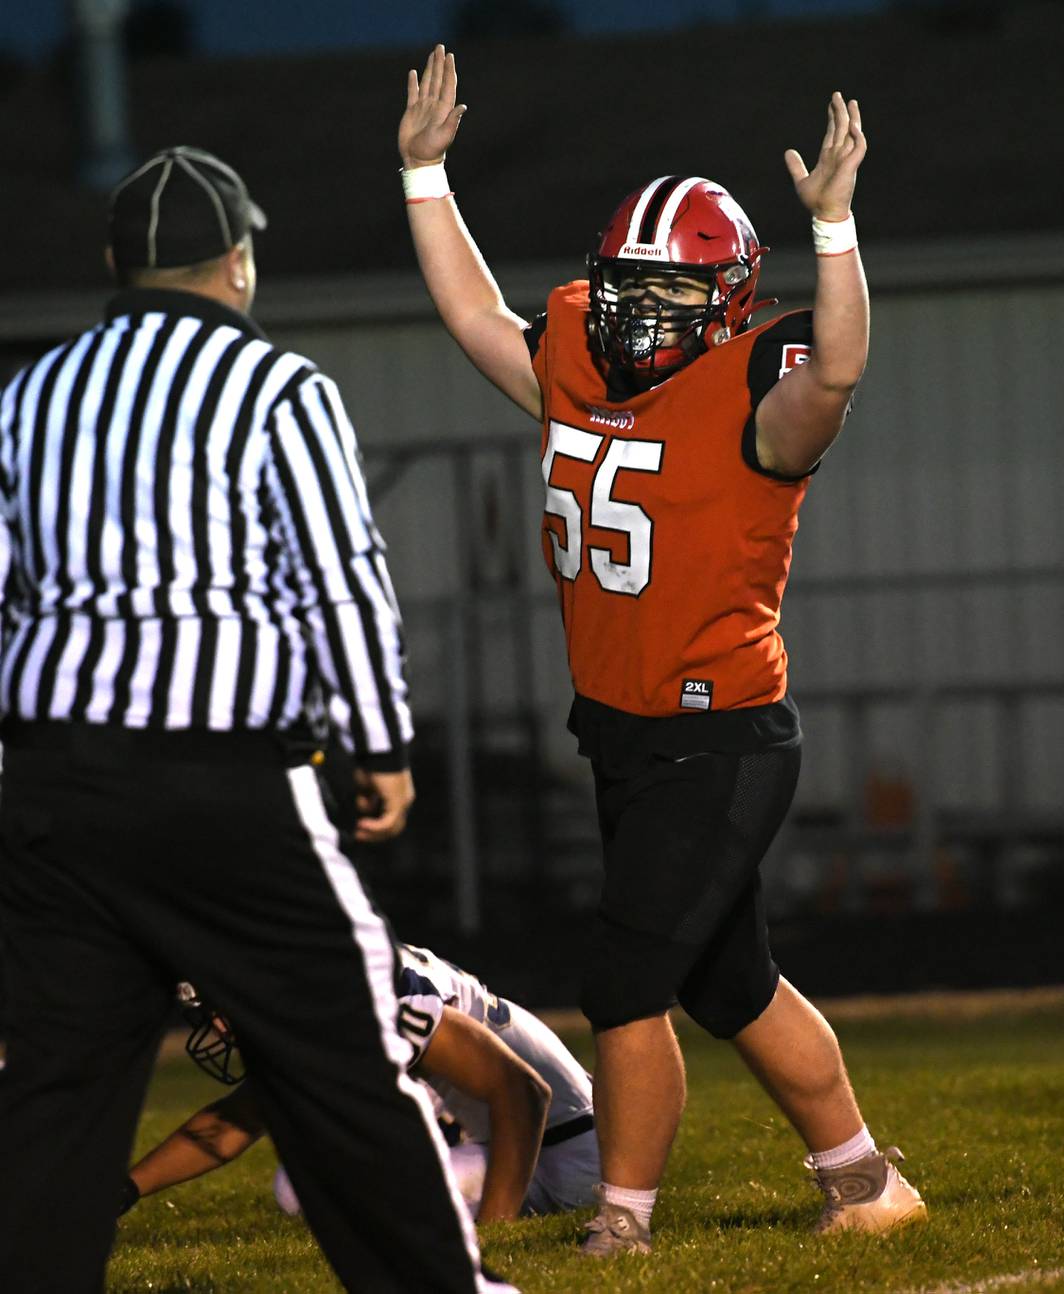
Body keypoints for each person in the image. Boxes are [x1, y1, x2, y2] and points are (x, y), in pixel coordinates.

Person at [395, 45, 925, 1254]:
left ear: (732, 301)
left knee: (624, 979)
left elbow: (838, 364)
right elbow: (478, 312)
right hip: (624, 731)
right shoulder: (575, 355)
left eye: (673, 296)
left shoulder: (764, 387)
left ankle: (623, 1225)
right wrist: (428, 180)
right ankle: (867, 1185)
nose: (638, 312)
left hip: (720, 730)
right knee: (731, 983)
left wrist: (835, 226)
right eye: (625, 286)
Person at [0, 146, 510, 1292]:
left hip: (52, 785)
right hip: (219, 780)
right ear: (237, 261)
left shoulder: (31, 396)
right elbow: (340, 578)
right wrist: (380, 746)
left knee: (57, 1084)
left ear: (115, 265)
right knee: (337, 1055)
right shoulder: (277, 389)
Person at [121, 942, 599, 1222]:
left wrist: (497, 1229)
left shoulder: (373, 995)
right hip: (530, 1139)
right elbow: (234, 1123)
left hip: (565, 1156)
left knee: (308, 1185)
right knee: (307, 1180)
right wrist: (122, 1192)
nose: (222, 1030)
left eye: (222, 1012)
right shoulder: (323, 987)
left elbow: (525, 1094)